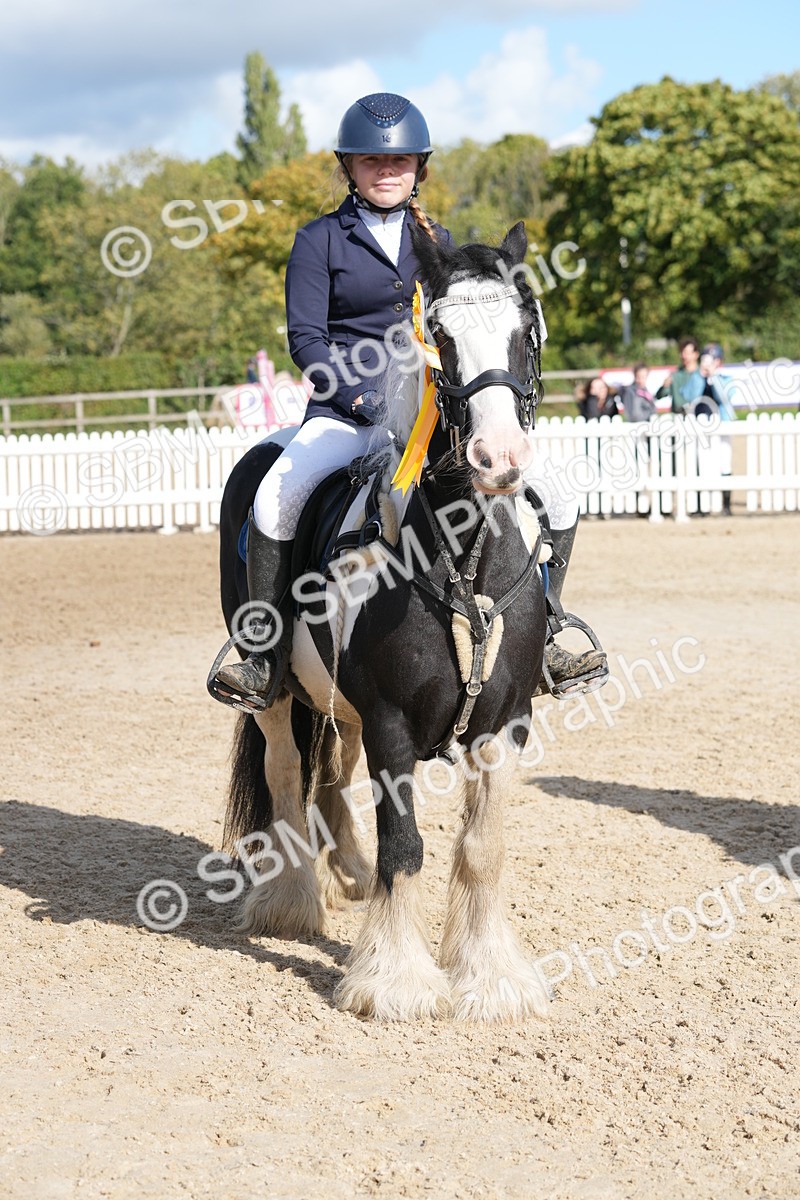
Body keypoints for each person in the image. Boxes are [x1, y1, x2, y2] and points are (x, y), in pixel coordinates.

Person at [212, 92, 606, 710]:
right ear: (348, 167)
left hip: (434, 420)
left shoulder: (439, 241)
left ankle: (549, 628)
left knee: (557, 492)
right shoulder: (318, 240)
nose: (386, 171)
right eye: (371, 161)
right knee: (274, 497)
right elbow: (306, 339)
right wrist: (361, 393)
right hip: (346, 417)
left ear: (419, 167)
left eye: (398, 162)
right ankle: (262, 656)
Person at [694, 342, 736, 515]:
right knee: (702, 464)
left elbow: (724, 398)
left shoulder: (726, 379)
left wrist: (714, 376)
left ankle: (726, 505)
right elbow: (690, 395)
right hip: (702, 426)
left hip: (722, 423)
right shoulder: (698, 378)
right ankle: (703, 505)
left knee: (724, 462)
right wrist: (700, 376)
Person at [656, 336, 705, 414]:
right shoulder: (675, 375)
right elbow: (659, 396)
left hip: (699, 417)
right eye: (682, 352)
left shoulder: (703, 375)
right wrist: (664, 386)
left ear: (696, 354)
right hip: (679, 418)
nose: (683, 356)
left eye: (687, 352)